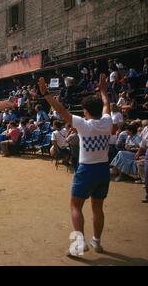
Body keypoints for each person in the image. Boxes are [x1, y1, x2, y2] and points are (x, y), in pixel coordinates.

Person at [39, 73, 112, 257]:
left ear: (85, 111)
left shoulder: (83, 124)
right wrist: (104, 91)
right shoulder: (107, 122)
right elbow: (106, 105)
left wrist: (46, 94)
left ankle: (80, 243)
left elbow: (61, 110)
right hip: (104, 170)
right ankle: (97, 241)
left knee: (75, 206)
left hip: (86, 170)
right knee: (98, 207)